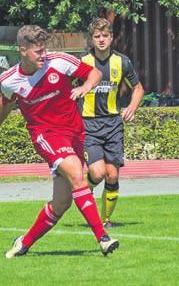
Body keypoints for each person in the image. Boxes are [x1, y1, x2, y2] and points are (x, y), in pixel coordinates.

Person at [0, 25, 119, 258]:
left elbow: (94, 74)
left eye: (44, 50)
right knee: (76, 173)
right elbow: (4, 107)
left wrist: (85, 86)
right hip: (46, 135)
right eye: (37, 52)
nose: (43, 56)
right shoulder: (9, 80)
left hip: (75, 134)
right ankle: (103, 237)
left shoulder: (59, 61)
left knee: (61, 203)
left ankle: (23, 243)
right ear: (22, 50)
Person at [79, 18, 144, 228]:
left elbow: (138, 88)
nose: (101, 40)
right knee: (97, 173)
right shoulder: (82, 63)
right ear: (91, 39)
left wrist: (132, 106)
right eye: (97, 36)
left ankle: (104, 221)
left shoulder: (122, 62)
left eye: (105, 36)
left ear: (111, 37)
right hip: (89, 125)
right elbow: (66, 87)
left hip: (113, 124)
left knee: (113, 174)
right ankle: (81, 192)